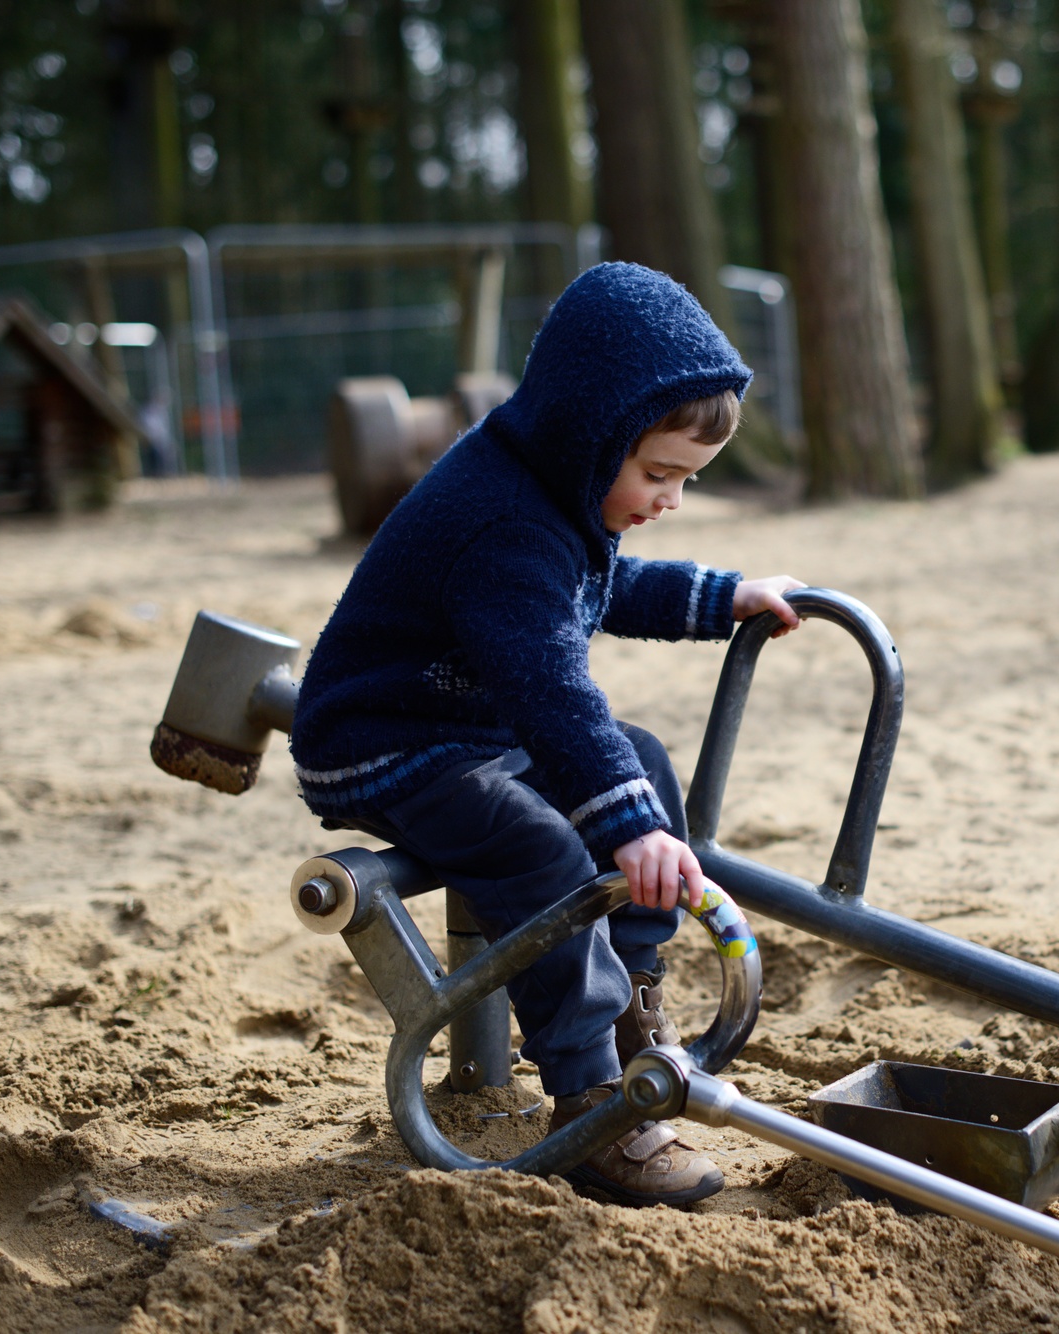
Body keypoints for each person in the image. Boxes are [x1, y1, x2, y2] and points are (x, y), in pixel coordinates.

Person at [291, 263, 804, 1207]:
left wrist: (721, 596)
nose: (670, 500)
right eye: (659, 475)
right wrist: (628, 827)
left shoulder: (555, 485)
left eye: (685, 481)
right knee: (540, 845)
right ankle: (592, 1101)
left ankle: (630, 1010)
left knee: (642, 763)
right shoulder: (503, 522)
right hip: (385, 742)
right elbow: (551, 687)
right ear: (591, 430)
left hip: (470, 725)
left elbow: (603, 589)